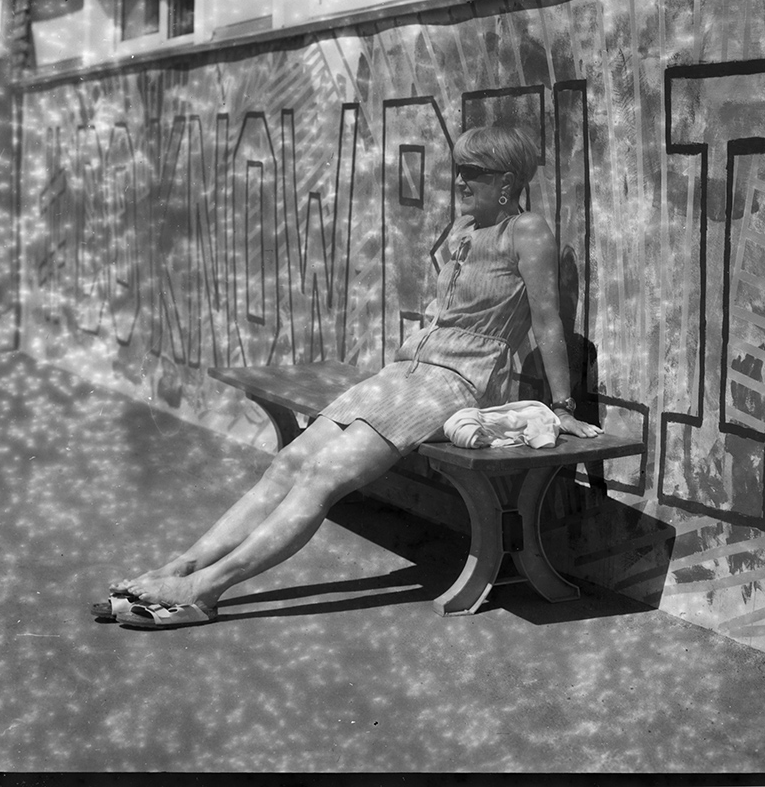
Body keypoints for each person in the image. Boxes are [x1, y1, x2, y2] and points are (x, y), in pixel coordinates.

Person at [106, 124, 602, 628]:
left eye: (471, 171)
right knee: (289, 461)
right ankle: (181, 567)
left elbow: (547, 322)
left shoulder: (527, 231)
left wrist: (562, 407)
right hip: (407, 372)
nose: (459, 181)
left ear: (507, 181)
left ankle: (202, 591)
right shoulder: (463, 229)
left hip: (458, 381)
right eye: (457, 169)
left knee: (323, 475)